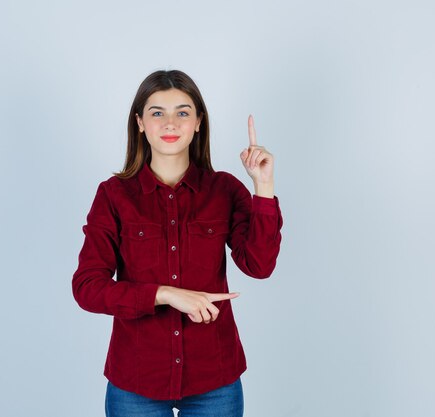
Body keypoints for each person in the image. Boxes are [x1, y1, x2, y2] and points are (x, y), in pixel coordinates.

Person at [72, 70, 283, 417]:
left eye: (183, 112)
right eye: (157, 113)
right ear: (139, 122)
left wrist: (264, 186)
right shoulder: (113, 196)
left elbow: (259, 266)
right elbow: (87, 287)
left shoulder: (225, 190)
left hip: (214, 380)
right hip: (136, 382)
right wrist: (165, 294)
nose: (170, 123)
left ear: (198, 122)